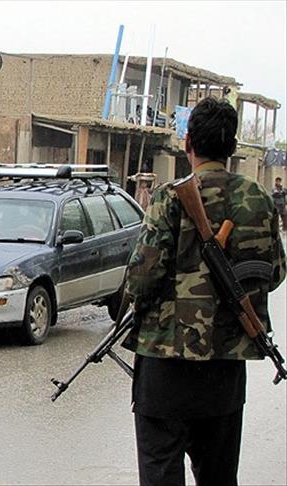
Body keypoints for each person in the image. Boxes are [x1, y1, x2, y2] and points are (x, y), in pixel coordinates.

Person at [122, 97, 286, 486]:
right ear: (232, 147)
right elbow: (275, 274)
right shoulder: (259, 199)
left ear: (187, 142)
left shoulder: (168, 197)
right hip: (224, 369)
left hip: (164, 367)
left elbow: (140, 280)